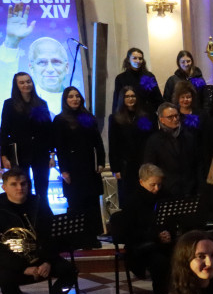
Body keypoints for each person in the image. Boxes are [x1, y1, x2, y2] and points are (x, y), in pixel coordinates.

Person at [0, 168, 76, 294]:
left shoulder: (38, 202)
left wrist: (47, 261)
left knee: (69, 271)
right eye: (14, 184)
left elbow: (51, 234)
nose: (20, 188)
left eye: (23, 184)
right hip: (14, 262)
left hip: (42, 257)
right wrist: (22, 268)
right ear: (4, 187)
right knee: (5, 281)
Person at [53, 86, 104, 240]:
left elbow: (98, 142)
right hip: (72, 168)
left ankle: (93, 236)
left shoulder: (88, 117)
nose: (75, 99)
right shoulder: (60, 120)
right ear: (65, 100)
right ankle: (78, 237)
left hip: (90, 166)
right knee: (76, 202)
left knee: (92, 202)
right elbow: (60, 147)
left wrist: (100, 161)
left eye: (77, 96)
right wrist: (64, 170)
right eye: (70, 96)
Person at [118, 164, 172, 294]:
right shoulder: (132, 202)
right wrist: (156, 236)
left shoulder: (164, 196)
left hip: (161, 244)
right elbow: (130, 233)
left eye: (159, 184)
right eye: (152, 185)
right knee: (160, 263)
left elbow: (170, 220)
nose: (156, 188)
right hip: (141, 249)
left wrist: (168, 233)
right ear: (141, 182)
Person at [1, 72, 54, 198]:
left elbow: (48, 130)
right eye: (22, 82)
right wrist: (3, 156)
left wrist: (52, 154)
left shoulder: (41, 103)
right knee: (23, 186)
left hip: (40, 151)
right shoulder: (9, 104)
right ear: (16, 85)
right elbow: (4, 131)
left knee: (42, 186)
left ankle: (42, 213)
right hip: (19, 152)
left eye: (28, 81)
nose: (26, 85)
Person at [108, 85, 156, 197]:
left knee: (145, 195)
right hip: (125, 165)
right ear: (122, 99)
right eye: (127, 96)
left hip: (143, 161)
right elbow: (113, 144)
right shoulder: (115, 118)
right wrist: (115, 168)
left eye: (133, 96)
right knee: (128, 196)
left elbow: (151, 139)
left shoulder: (145, 116)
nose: (130, 99)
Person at [112, 47, 163, 112]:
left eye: (140, 58)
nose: (138, 61)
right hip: (127, 116)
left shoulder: (149, 76)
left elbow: (157, 98)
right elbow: (117, 100)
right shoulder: (120, 78)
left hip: (147, 115)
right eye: (134, 58)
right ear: (128, 60)